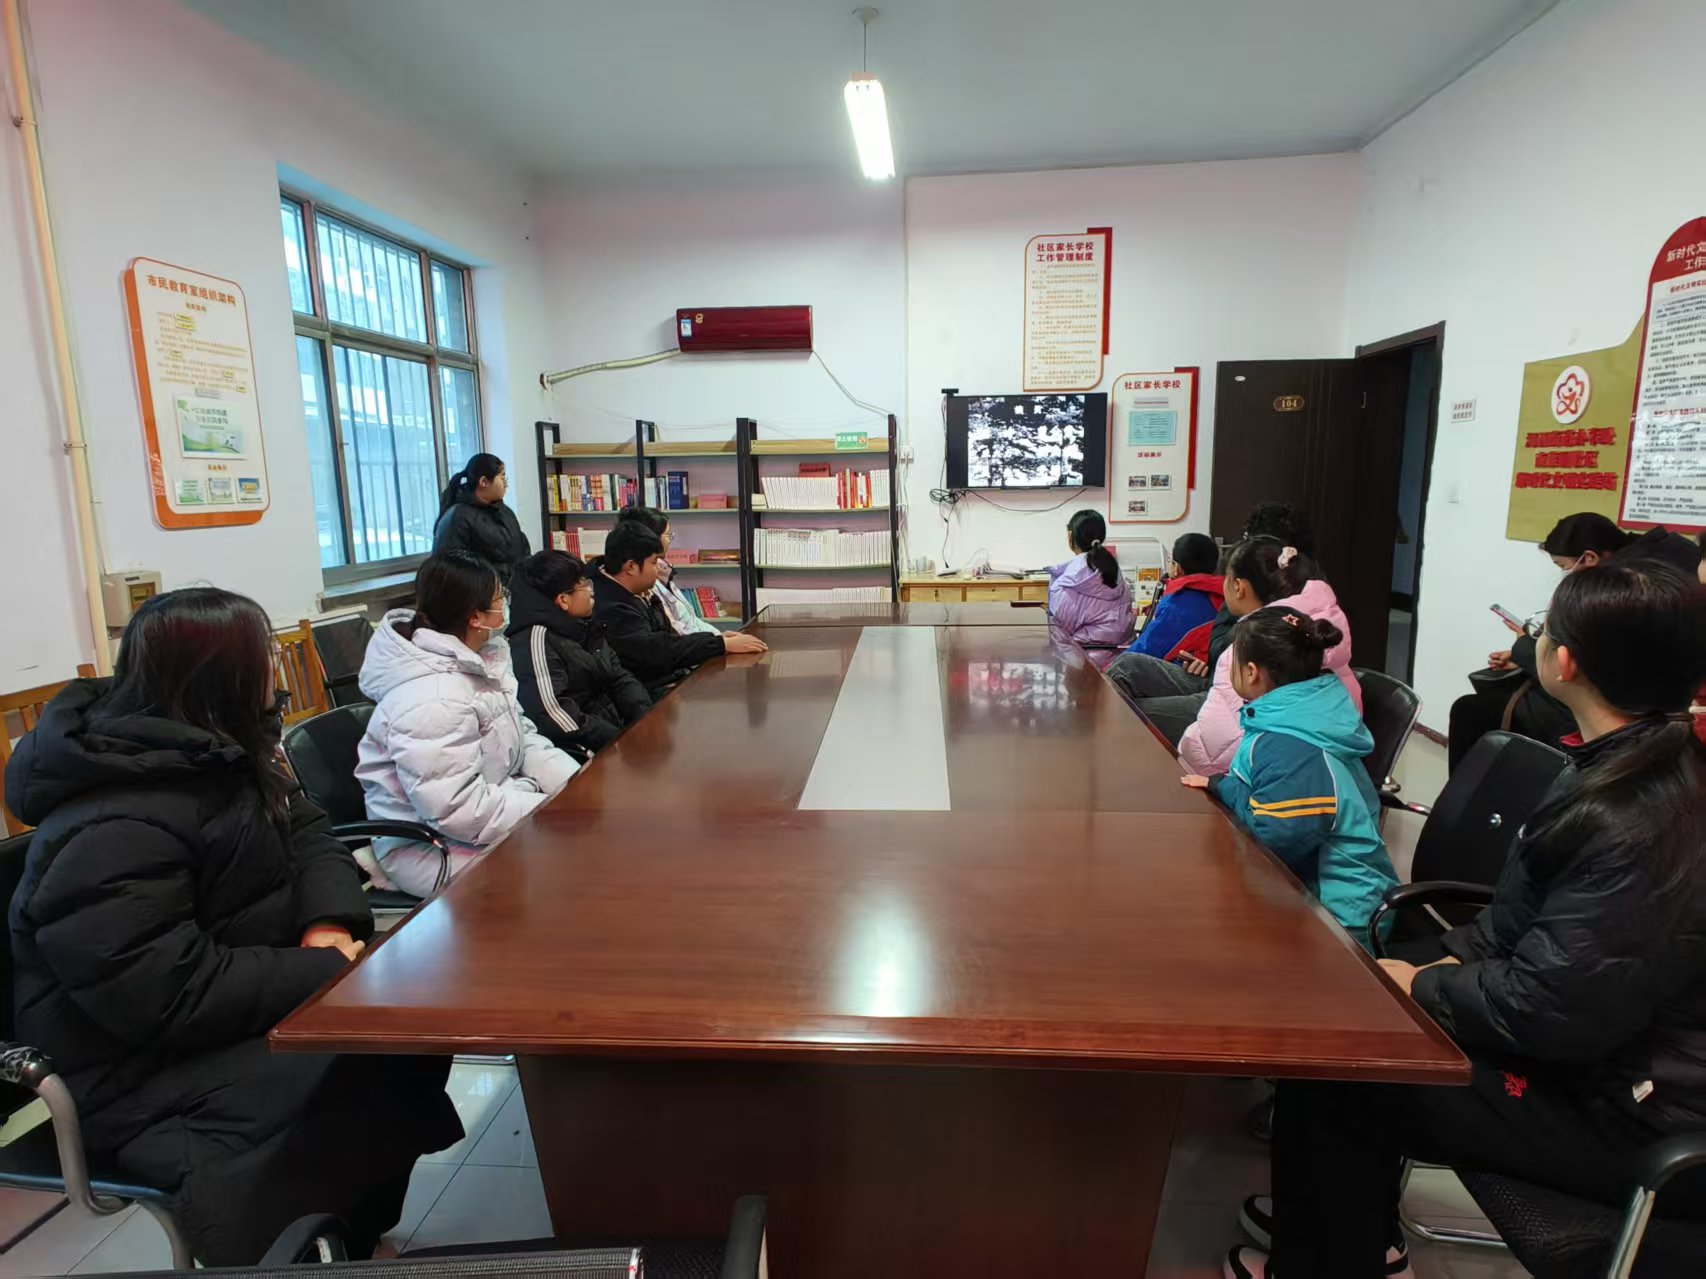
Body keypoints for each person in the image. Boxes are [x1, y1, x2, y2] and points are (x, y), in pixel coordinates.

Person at [1229, 559, 1706, 1279]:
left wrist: (1424, 985)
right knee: (1342, 1005)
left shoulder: (1637, 816)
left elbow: (1551, 1011)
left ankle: (1327, 1254)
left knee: (1339, 1064)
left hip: (1629, 1112)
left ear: (1565, 662)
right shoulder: (1627, 766)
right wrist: (1437, 961)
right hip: (1602, 1053)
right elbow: (1519, 927)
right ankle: (1343, 1230)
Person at [5, 588, 461, 1264]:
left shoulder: (219, 751)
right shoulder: (110, 822)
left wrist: (326, 922)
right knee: (363, 1059)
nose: (276, 673)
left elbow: (310, 833)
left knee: (410, 1031)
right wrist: (323, 969)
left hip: (231, 1012)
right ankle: (286, 1248)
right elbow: (164, 991)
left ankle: (354, 1232)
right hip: (143, 1073)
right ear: (215, 678)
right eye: (263, 658)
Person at [358, 551, 578, 896]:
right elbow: (458, 810)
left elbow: (521, 735)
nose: (506, 604)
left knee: (584, 839)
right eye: (500, 598)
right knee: (567, 871)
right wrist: (548, 808)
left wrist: (574, 785)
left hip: (491, 812)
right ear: (476, 617)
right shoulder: (431, 698)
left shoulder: (480, 658)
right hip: (430, 848)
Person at [1181, 608, 1394, 942]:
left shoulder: (1291, 742)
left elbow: (1275, 840)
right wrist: (1220, 784)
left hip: (1340, 919)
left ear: (1251, 673)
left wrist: (1227, 789)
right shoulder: (1296, 714)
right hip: (1308, 889)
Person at [1447, 511, 1702, 771]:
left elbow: (1591, 668)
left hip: (1607, 714)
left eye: (1562, 566)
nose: (1563, 573)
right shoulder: (1664, 570)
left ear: (1589, 558)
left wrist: (1524, 649)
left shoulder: (1621, 595)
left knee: (1470, 711)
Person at [1109, 502, 1315, 718]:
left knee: (1129, 712)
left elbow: (1234, 703)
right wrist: (1207, 664)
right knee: (1127, 670)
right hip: (1216, 682)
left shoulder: (1272, 624)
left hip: (1232, 707)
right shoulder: (1262, 610)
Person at [1176, 538, 1359, 775]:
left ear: (1238, 586)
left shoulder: (1253, 643)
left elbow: (1212, 752)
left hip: (1253, 776)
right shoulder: (1312, 624)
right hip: (1312, 767)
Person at [591, 518, 767, 696]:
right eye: (654, 562)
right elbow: (655, 651)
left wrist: (716, 640)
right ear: (631, 566)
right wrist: (719, 644)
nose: (658, 569)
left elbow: (669, 638)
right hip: (652, 694)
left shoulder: (637, 592)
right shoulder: (611, 608)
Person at [507, 549, 653, 760]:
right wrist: (619, 741)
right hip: (581, 751)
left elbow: (619, 676)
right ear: (563, 600)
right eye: (584, 584)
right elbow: (554, 713)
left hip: (614, 736)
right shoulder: (535, 639)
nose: (592, 590)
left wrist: (643, 717)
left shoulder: (584, 626)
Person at [616, 505, 720, 635]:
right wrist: (719, 641)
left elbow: (690, 621)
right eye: (668, 535)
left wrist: (720, 637)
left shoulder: (663, 572)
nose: (670, 541)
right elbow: (674, 629)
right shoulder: (643, 581)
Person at [1122, 532, 1223, 660]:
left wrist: (1111, 668)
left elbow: (1144, 650)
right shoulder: (1225, 597)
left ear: (1177, 568)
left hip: (1180, 669)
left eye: (1170, 560)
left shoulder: (1176, 605)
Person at [432, 453, 530, 584]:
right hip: (484, 592)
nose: (506, 483)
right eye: (502, 477)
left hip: (513, 589)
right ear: (483, 482)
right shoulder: (458, 517)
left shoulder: (505, 511)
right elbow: (454, 569)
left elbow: (521, 548)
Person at [1046, 509, 1134, 647]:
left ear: (1070, 537)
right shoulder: (1113, 570)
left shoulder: (1065, 583)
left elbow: (1061, 632)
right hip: (1120, 653)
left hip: (1083, 656)